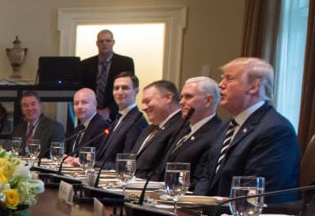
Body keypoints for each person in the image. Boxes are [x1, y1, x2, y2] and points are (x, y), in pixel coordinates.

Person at [193, 57, 301, 202]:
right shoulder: (227, 125)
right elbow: (206, 175)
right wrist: (195, 205)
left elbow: (255, 191)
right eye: (222, 79)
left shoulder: (276, 130)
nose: (220, 85)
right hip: (212, 214)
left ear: (254, 87)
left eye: (229, 79)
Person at [154, 76, 224, 181]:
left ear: (208, 100)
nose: (181, 102)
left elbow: (200, 179)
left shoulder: (218, 133)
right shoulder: (182, 129)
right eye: (182, 97)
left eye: (188, 97)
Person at [129, 80, 186, 179]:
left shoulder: (181, 127)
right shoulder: (148, 129)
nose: (143, 107)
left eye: (148, 101)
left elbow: (161, 169)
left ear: (168, 97)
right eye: (142, 103)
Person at [96, 72, 148, 168]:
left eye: (125, 88)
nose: (119, 92)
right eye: (116, 88)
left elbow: (126, 164)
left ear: (136, 91)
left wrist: (91, 164)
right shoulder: (117, 118)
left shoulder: (137, 121)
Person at [78, 29, 135, 116]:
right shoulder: (85, 64)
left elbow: (128, 90)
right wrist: (93, 110)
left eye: (108, 41)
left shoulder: (125, 62)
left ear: (113, 42)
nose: (104, 43)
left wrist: (108, 111)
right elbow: (82, 89)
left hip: (117, 113)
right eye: (101, 41)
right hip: (90, 113)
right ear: (97, 43)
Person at [10, 91, 64, 158]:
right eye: (26, 105)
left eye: (33, 104)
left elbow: (56, 156)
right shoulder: (17, 129)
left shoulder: (55, 128)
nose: (30, 108)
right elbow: (14, 154)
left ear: (40, 106)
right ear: (22, 109)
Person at [63, 88, 108, 159]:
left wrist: (75, 160)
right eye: (76, 103)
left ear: (95, 104)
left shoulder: (101, 127)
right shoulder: (78, 129)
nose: (79, 107)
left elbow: (98, 158)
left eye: (84, 102)